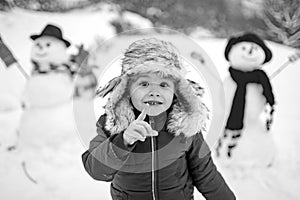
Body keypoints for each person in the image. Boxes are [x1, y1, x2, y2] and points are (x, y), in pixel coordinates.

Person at [82, 38, 236, 200]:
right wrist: (123, 141)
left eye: (163, 85)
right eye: (144, 84)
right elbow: (97, 171)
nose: (154, 91)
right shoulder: (112, 123)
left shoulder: (185, 126)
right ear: (127, 89)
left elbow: (206, 174)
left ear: (176, 91)